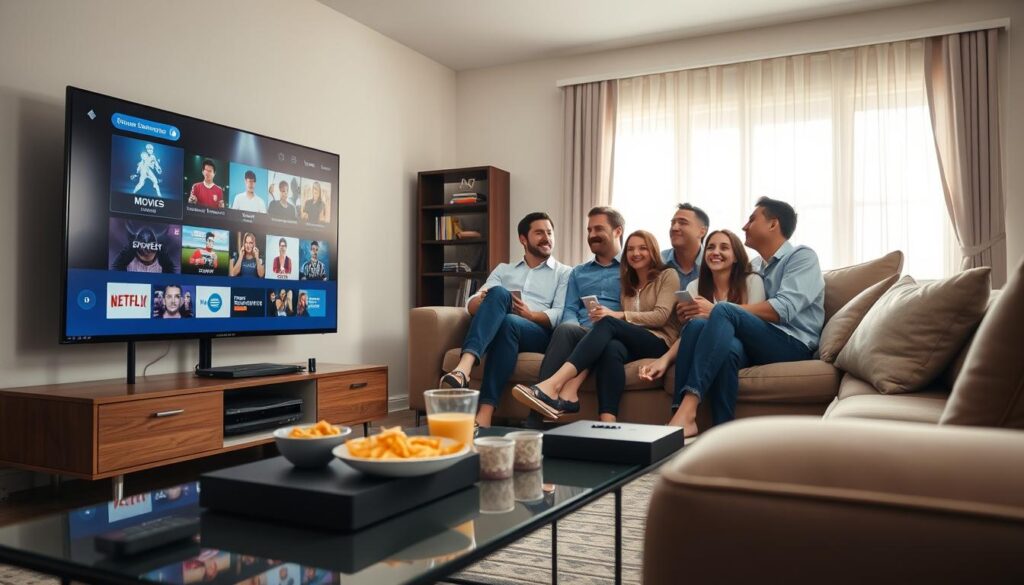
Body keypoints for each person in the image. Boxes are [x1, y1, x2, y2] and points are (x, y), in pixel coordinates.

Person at [660, 197, 824, 437]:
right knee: (720, 341)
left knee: (724, 309)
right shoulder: (757, 266)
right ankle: (719, 432)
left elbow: (784, 309)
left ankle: (688, 408)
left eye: (751, 219)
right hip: (759, 342)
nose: (745, 226)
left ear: (773, 224)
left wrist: (716, 310)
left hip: (793, 344)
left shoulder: (801, 257)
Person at [516, 230, 681, 421]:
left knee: (609, 322)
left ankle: (554, 383)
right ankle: (607, 423)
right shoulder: (628, 283)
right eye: (631, 249)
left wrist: (616, 315)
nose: (636, 253)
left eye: (643, 248)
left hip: (660, 341)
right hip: (633, 342)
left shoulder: (668, 275)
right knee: (611, 348)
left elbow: (660, 317)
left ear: (653, 250)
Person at [437, 212, 571, 429]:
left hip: (539, 332)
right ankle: (484, 412)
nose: (546, 238)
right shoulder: (504, 269)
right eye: (539, 233)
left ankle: (464, 369)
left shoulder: (564, 273)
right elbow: (470, 304)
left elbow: (559, 313)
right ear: (523, 239)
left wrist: (530, 315)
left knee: (503, 305)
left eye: (549, 233)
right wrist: (483, 300)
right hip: (506, 326)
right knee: (500, 300)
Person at [639, 229, 766, 430]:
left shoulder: (752, 281)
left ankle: (684, 413)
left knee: (726, 340)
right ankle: (694, 420)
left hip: (749, 347)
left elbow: (755, 325)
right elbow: (692, 333)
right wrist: (664, 359)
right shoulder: (694, 287)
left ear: (736, 257)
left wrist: (712, 314)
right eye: (710, 247)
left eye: (724, 247)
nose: (715, 252)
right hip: (722, 349)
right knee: (702, 328)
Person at [510, 206, 625, 421]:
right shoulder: (578, 272)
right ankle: (543, 404)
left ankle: (535, 419)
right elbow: (570, 309)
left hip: (614, 331)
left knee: (592, 334)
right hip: (580, 331)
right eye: (589, 230)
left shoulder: (632, 268)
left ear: (617, 231)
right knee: (565, 329)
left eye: (598, 229)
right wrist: (576, 327)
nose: (591, 235)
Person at [662, 203, 709, 289]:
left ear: (702, 231)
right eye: (673, 223)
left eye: (683, 223)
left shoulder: (712, 262)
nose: (674, 228)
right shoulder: (658, 261)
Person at [111, 226, 176, 273]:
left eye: (150, 247)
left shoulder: (162, 264)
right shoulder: (130, 263)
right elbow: (116, 268)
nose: (146, 251)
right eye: (143, 247)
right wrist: (133, 246)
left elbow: (171, 272)